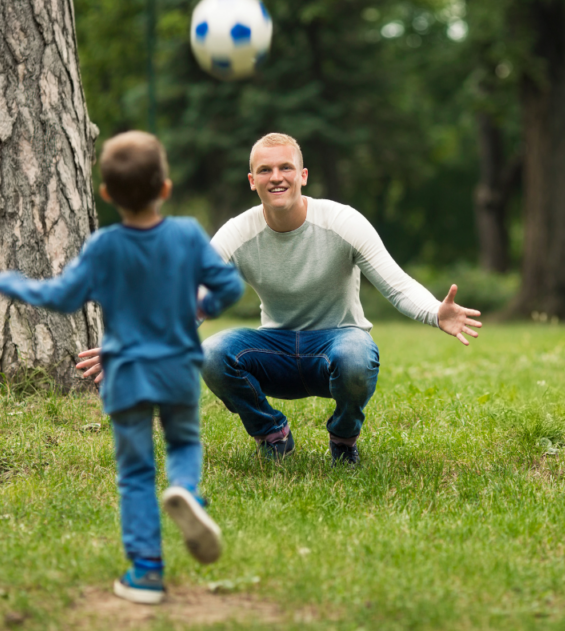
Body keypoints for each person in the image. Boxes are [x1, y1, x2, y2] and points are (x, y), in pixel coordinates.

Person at [78, 132, 481, 466]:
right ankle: (273, 435)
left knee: (358, 356)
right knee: (212, 352)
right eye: (265, 170)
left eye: (285, 167)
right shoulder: (238, 233)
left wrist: (434, 311)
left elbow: (396, 283)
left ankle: (343, 438)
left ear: (302, 174)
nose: (277, 177)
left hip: (338, 345)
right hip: (277, 350)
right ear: (251, 181)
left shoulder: (342, 222)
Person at [0, 131, 243, 605]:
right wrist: (200, 302)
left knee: (136, 473)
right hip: (178, 369)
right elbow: (229, 287)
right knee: (184, 441)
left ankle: (146, 572)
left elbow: (61, 297)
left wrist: (15, 283)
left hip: (125, 375)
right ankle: (186, 490)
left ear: (106, 195)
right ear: (165, 188)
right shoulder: (186, 234)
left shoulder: (103, 246)